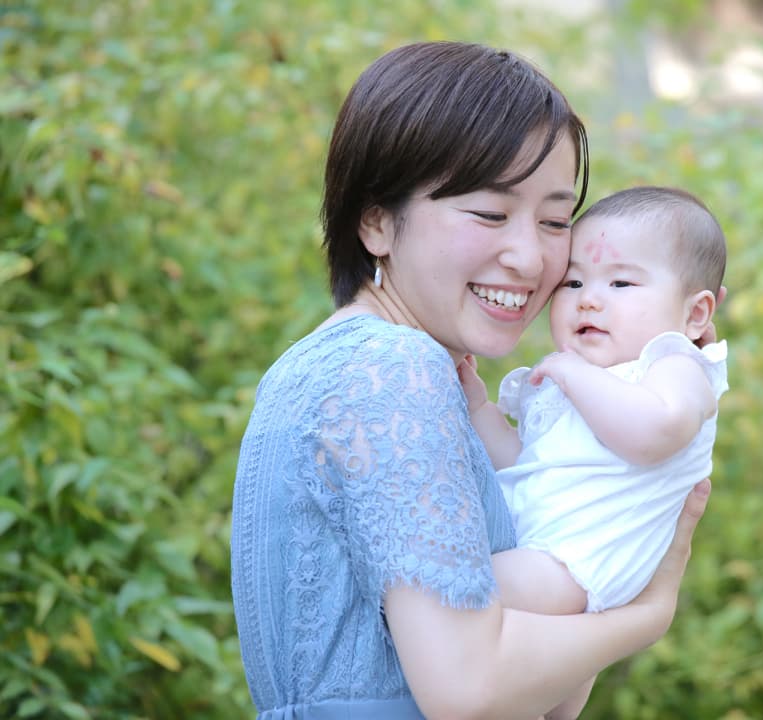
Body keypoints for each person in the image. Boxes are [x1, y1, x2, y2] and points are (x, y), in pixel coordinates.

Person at [230, 42, 711, 720]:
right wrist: (646, 614)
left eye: (553, 220)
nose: (528, 256)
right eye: (490, 212)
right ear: (375, 220)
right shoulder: (393, 372)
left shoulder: (327, 367)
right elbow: (469, 689)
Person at [459, 186, 729, 619]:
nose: (588, 298)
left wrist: (575, 375)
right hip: (537, 553)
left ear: (695, 315)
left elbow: (659, 429)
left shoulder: (675, 365)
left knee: (437, 583)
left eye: (621, 282)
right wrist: (476, 411)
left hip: (574, 569)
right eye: (573, 282)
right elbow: (527, 467)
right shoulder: (582, 384)